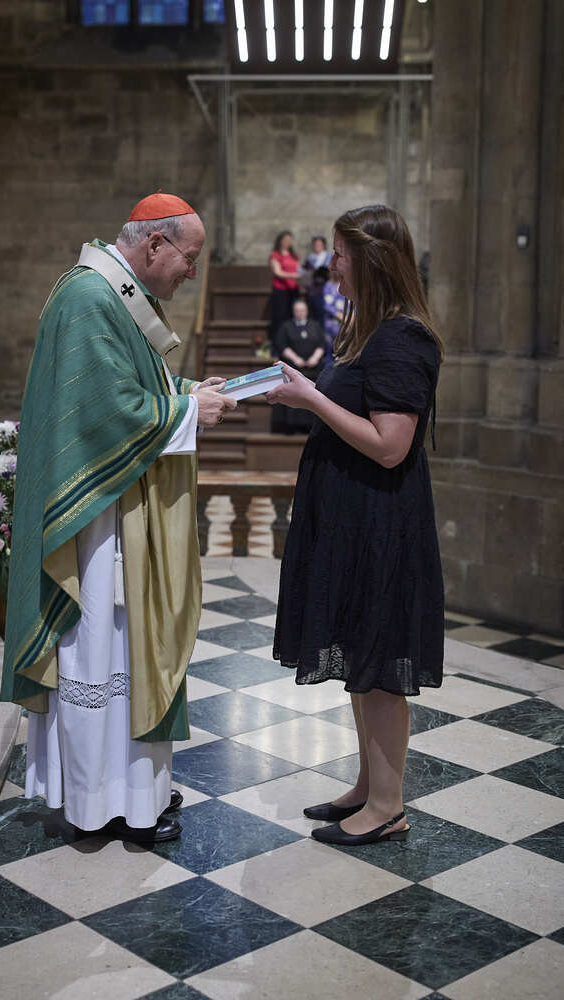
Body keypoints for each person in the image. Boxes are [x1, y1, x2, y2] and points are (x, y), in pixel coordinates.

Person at [0, 191, 237, 845]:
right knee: (103, 653)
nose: (192, 271)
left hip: (118, 509)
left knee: (128, 656)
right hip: (99, 526)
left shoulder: (114, 292)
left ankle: (136, 789)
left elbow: (131, 387)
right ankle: (104, 802)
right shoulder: (89, 297)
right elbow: (104, 415)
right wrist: (186, 414)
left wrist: (185, 393)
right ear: (155, 243)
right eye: (189, 257)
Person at [266, 204, 444, 847]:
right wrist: (309, 389)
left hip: (380, 525)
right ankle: (369, 786)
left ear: (369, 260)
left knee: (381, 665)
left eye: (340, 256)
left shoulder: (402, 338)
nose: (331, 266)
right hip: (352, 522)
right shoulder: (368, 330)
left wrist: (311, 398)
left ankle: (389, 808)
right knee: (359, 655)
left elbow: (391, 446)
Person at [271, 299, 326, 434]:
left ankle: (311, 425)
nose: (300, 313)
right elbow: (281, 345)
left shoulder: (315, 325)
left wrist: (315, 358)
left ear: (306, 311)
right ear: (293, 312)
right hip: (293, 368)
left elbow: (322, 344)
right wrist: (296, 359)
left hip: (313, 369)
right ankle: (292, 426)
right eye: (297, 310)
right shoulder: (286, 326)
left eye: (302, 310)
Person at [268, 231, 300, 343]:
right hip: (280, 290)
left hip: (293, 289)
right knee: (280, 317)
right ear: (280, 241)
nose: (287, 242)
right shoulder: (275, 255)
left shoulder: (294, 256)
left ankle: (291, 341)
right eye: (285, 240)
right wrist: (293, 275)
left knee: (292, 316)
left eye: (289, 240)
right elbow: (277, 272)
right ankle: (277, 343)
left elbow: (299, 269)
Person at [303, 236, 332, 327]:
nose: (317, 246)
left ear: (323, 246)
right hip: (311, 291)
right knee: (311, 316)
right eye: (315, 244)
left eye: (319, 244)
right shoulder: (310, 259)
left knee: (321, 315)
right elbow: (305, 273)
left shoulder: (328, 258)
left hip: (324, 291)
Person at [322, 274, 347, 363]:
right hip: (333, 323)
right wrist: (343, 317)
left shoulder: (349, 283)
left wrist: (352, 318)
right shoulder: (328, 285)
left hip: (349, 322)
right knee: (331, 350)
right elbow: (327, 305)